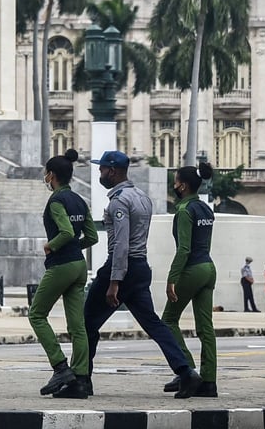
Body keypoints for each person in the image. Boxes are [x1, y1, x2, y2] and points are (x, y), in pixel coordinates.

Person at [84, 150, 203, 399]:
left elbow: (121, 245)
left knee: (87, 324)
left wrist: (114, 282)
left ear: (113, 171)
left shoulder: (119, 201)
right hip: (140, 268)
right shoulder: (142, 197)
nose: (100, 173)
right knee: (154, 324)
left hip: (121, 268)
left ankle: (82, 378)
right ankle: (186, 371)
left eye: (102, 169)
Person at [28, 149, 98, 399]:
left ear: (52, 176)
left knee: (36, 314)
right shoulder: (80, 200)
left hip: (61, 265)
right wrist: (73, 247)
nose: (46, 177)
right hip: (79, 265)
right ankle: (80, 379)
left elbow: (67, 232)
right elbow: (92, 237)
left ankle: (59, 367)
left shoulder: (56, 201)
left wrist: (51, 246)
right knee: (78, 326)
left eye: (47, 174)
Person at [160, 162, 219, 398]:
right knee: (206, 328)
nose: (173, 185)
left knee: (167, 321)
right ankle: (209, 381)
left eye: (175, 181)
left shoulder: (184, 211)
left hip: (192, 269)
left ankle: (188, 371)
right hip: (208, 268)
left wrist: (172, 278)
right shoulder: (206, 210)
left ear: (183, 186)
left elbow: (184, 249)